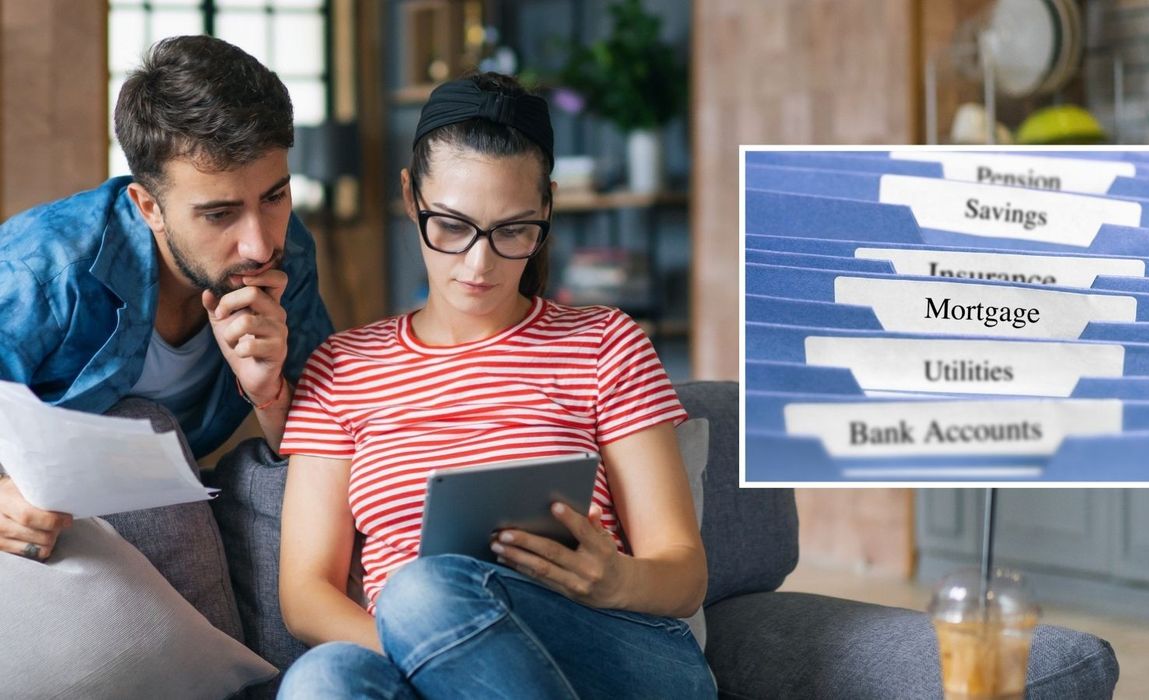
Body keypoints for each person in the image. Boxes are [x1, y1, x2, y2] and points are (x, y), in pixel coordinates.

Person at [277, 72, 716, 699]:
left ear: (546, 210)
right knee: (323, 680)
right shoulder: (341, 368)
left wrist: (614, 580)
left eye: (513, 230)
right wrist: (429, 653)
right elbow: (305, 595)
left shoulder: (604, 342)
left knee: (422, 587)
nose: (479, 265)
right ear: (410, 196)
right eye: (451, 226)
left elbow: (684, 575)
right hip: (431, 655)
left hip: (616, 646)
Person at [0, 34, 333, 562]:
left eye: (274, 196)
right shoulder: (43, 267)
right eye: (219, 214)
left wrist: (268, 392)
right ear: (148, 206)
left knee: (282, 483)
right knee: (138, 424)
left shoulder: (287, 251)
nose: (260, 243)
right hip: (53, 519)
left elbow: (327, 435)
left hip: (176, 495)